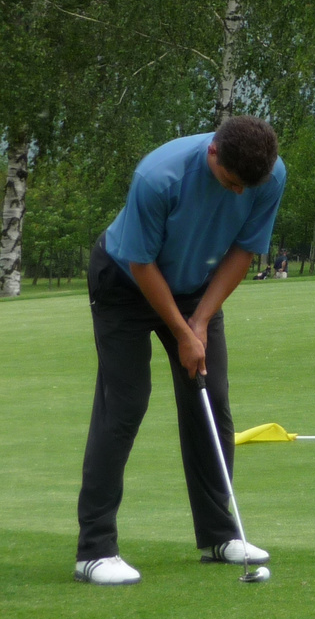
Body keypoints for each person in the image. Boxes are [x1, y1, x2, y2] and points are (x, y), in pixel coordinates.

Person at [73, 116, 287, 586]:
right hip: (126, 281)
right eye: (231, 183)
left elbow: (244, 250)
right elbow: (141, 261)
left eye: (245, 187)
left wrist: (202, 321)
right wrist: (181, 330)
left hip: (195, 288)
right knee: (124, 404)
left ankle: (218, 534)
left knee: (209, 399)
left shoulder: (269, 176)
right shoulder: (159, 176)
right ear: (214, 153)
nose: (237, 194)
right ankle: (94, 550)